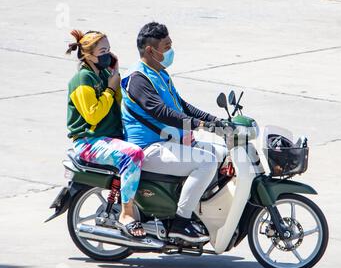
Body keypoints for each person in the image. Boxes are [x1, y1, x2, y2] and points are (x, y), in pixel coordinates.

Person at [121, 22, 227, 243]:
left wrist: (216, 121)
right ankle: (181, 222)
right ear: (151, 50)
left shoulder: (160, 73)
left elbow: (182, 106)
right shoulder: (138, 78)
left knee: (222, 153)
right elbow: (161, 112)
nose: (170, 51)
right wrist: (200, 125)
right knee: (206, 162)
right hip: (149, 149)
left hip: (171, 143)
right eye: (166, 46)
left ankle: (197, 210)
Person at [66, 29, 145, 238]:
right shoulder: (82, 79)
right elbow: (93, 116)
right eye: (102, 51)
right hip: (88, 142)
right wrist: (110, 89)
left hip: (110, 138)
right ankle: (127, 213)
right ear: (88, 55)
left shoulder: (103, 74)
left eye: (109, 50)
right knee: (133, 154)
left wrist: (115, 75)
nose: (107, 55)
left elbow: (120, 105)